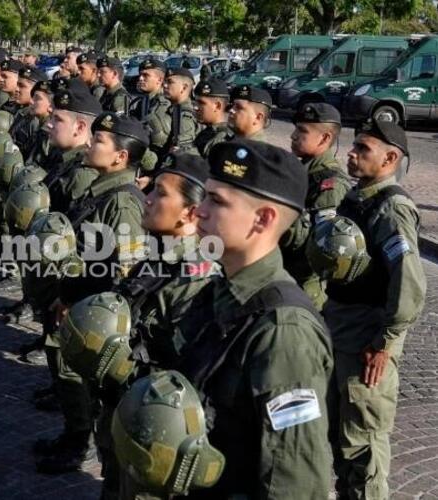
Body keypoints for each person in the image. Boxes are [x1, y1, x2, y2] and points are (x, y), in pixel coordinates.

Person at [174, 140, 334, 498]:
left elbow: (294, 479)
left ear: (263, 219)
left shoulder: (284, 331)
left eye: (217, 201)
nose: (197, 211)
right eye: (205, 196)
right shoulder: (221, 290)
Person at [99, 152, 217, 499]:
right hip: (129, 415)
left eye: (161, 193)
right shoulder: (159, 257)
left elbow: (190, 382)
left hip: (158, 432)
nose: (147, 199)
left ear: (191, 212)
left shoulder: (195, 279)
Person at [37, 112, 149, 475]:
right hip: (76, 296)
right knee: (65, 368)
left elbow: (123, 269)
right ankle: (73, 433)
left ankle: (80, 442)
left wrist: (82, 304)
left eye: (100, 141)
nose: (91, 144)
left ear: (121, 157)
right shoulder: (101, 188)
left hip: (92, 308)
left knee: (76, 375)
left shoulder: (123, 202)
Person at [324, 118, 426, 499]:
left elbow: (410, 284)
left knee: (362, 443)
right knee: (340, 439)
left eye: (363, 149)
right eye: (354, 146)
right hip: (342, 332)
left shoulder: (392, 209)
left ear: (390, 159)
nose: (351, 153)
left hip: (367, 345)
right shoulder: (359, 197)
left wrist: (385, 342)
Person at [282, 103, 351, 310]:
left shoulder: (330, 184)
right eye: (295, 129)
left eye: (302, 131)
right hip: (286, 276)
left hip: (306, 288)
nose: (293, 136)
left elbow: (322, 245)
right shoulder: (300, 171)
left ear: (325, 138)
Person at [43, 80, 102, 212]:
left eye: (57, 119)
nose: (49, 124)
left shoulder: (82, 175)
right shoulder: (63, 157)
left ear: (80, 127)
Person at [129, 58, 172, 173]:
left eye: (146, 75)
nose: (140, 78)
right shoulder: (145, 100)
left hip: (153, 166)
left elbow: (159, 144)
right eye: (140, 75)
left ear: (159, 80)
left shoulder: (162, 105)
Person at [12, 66, 48, 161]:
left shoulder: (36, 121)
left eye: (22, 86)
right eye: (17, 85)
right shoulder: (22, 112)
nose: (16, 89)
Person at [162, 66, 200, 156]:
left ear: (184, 87)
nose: (164, 85)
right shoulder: (175, 109)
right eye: (165, 81)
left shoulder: (184, 116)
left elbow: (181, 153)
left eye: (170, 82)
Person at [192, 78, 230, 157]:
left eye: (201, 103)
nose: (195, 107)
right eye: (195, 102)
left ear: (217, 106)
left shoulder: (223, 139)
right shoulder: (208, 131)